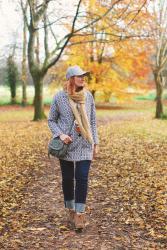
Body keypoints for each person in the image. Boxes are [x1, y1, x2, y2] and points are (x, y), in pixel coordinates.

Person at [48, 65, 99, 230]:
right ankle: (70, 209)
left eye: (84, 75)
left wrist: (95, 143)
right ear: (71, 79)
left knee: (82, 178)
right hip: (67, 145)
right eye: (79, 76)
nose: (83, 78)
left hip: (85, 143)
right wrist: (61, 135)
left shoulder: (88, 97)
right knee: (68, 179)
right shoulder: (59, 97)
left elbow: (92, 121)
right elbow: (51, 120)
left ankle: (79, 214)